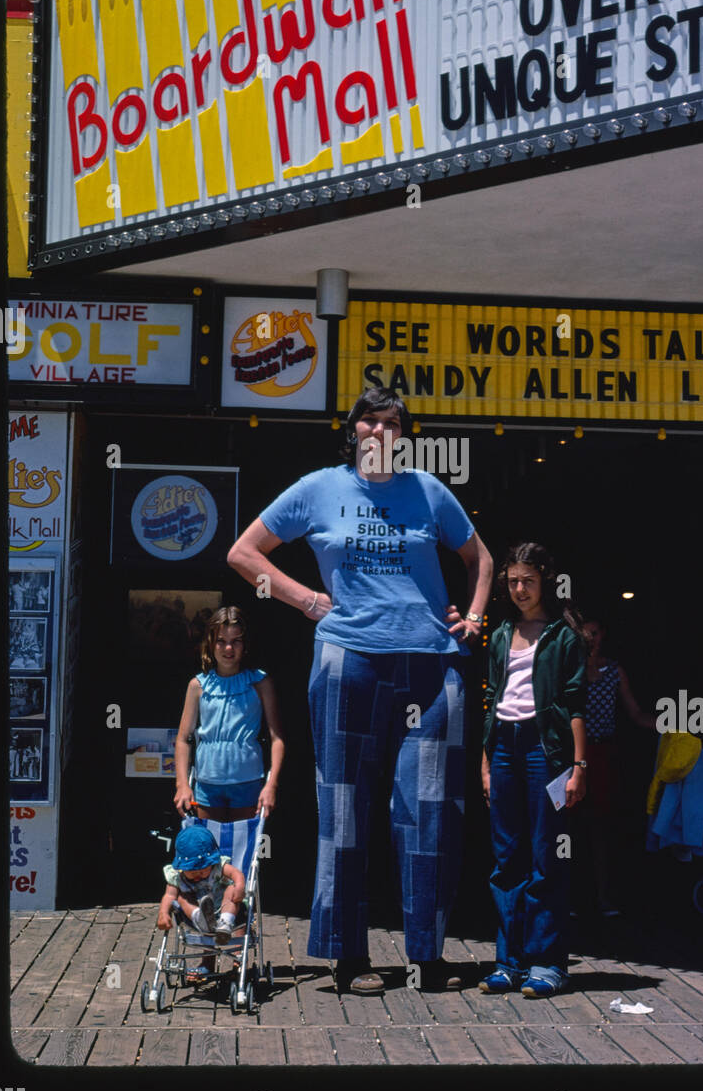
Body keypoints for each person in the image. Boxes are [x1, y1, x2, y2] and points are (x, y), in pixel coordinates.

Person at [228, 386, 493, 994]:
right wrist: (308, 601)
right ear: (352, 432)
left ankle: (427, 956)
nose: (379, 430)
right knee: (345, 806)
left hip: (431, 665)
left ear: (403, 435)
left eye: (391, 422)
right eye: (368, 421)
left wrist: (475, 619)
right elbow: (244, 554)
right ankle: (348, 959)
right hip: (347, 661)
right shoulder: (318, 488)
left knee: (429, 812)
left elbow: (480, 558)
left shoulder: (428, 491)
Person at [479, 542, 587, 998]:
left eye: (529, 580)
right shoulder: (502, 632)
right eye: (513, 580)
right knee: (507, 859)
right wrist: (484, 761)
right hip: (504, 745)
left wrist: (579, 765)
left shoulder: (563, 636)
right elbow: (490, 700)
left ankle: (548, 963)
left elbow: (575, 703)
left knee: (547, 856)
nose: (520, 589)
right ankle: (509, 962)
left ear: (545, 580)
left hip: (547, 751)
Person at [173, 606, 285, 823]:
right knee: (209, 851)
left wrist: (272, 785)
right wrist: (182, 785)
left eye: (236, 641)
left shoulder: (260, 683)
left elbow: (277, 739)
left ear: (245, 645)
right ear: (210, 643)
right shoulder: (198, 685)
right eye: (221, 640)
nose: (228, 648)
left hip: (248, 782)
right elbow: (183, 739)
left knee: (243, 851)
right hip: (207, 784)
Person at [577, 616, 656, 915]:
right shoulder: (568, 669)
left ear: (603, 635)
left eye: (595, 634)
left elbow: (635, 713)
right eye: (586, 635)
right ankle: (570, 897)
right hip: (574, 756)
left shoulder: (613, 671)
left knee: (600, 827)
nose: (592, 640)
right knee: (567, 828)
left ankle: (602, 897)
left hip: (603, 753)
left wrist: (673, 725)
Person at [156, 825, 246, 980]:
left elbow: (236, 873)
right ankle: (201, 919)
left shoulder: (218, 866)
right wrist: (163, 913)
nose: (197, 876)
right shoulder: (178, 876)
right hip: (197, 915)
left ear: (211, 863)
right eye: (192, 872)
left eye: (202, 871)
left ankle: (227, 930)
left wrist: (240, 886)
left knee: (230, 890)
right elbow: (169, 896)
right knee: (181, 897)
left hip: (227, 910)